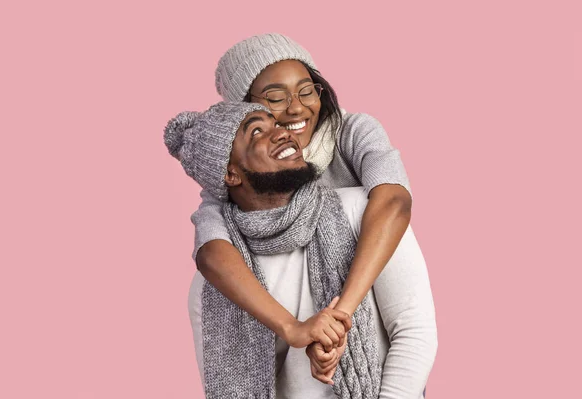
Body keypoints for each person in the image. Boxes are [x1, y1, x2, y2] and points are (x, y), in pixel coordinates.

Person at [164, 102, 437, 398]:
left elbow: (414, 332)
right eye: (257, 131)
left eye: (275, 124)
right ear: (230, 174)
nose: (281, 133)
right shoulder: (214, 285)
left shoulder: (362, 213)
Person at [191, 34, 417, 368]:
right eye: (275, 97)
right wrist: (294, 329)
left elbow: (393, 201)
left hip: (374, 331)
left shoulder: (353, 134)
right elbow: (210, 252)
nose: (297, 107)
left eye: (307, 90)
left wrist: (338, 318)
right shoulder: (236, 178)